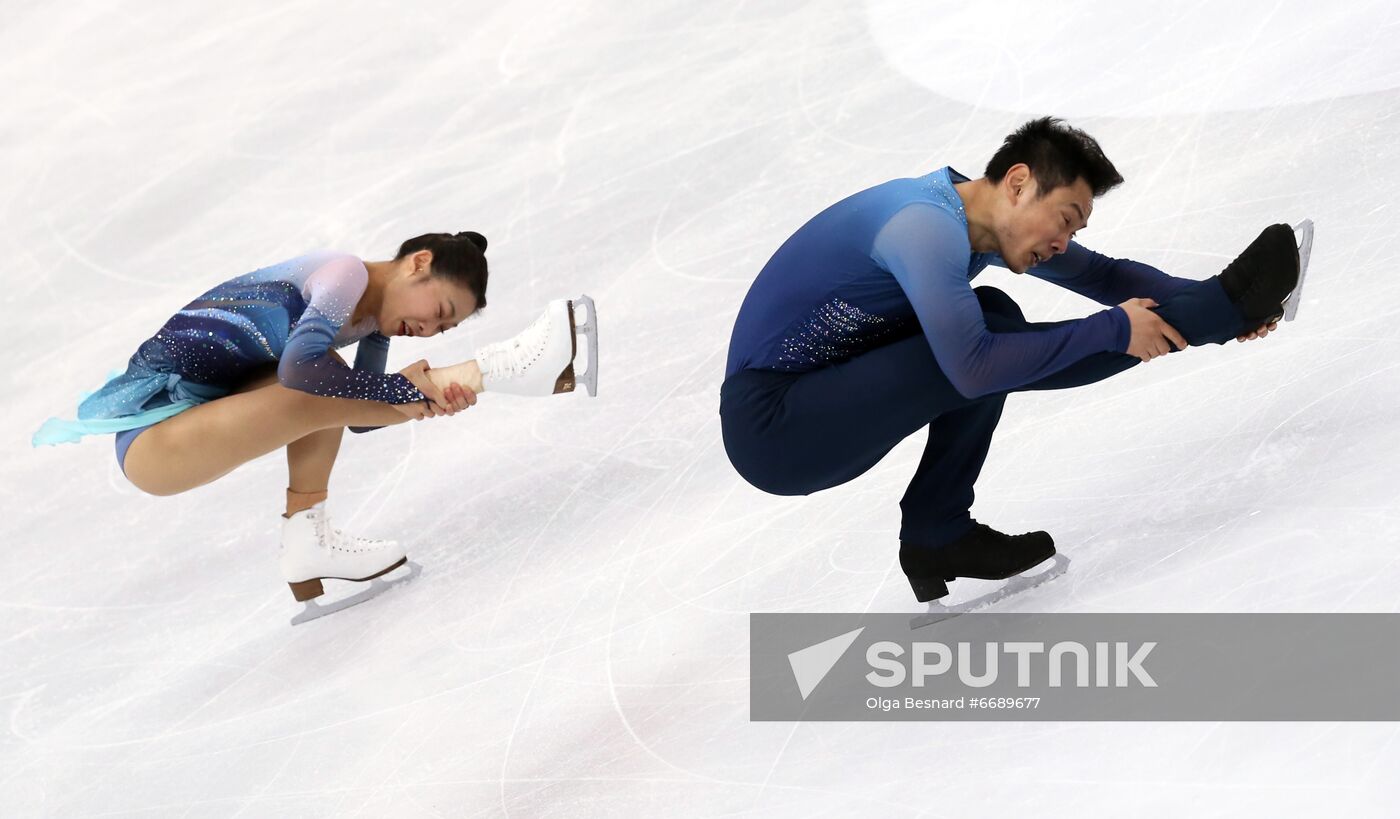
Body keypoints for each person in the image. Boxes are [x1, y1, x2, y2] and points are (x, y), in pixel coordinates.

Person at [720, 116, 1304, 603]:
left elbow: (1103, 275)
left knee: (993, 314)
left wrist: (1220, 303)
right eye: (1066, 220)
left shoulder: (974, 215)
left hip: (822, 391)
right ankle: (1218, 309)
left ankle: (936, 533)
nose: (1063, 243)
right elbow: (973, 369)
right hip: (777, 429)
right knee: (978, 347)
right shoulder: (923, 229)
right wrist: (1132, 326)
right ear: (1019, 183)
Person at [32, 231, 598, 609]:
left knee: (334, 378)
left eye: (443, 332)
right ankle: (499, 369)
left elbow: (361, 418)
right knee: (319, 375)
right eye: (439, 312)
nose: (428, 330)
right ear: (418, 265)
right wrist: (418, 388)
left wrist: (418, 397)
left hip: (199, 418)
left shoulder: (373, 321)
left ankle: (309, 540)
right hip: (155, 442)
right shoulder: (343, 275)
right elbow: (305, 375)